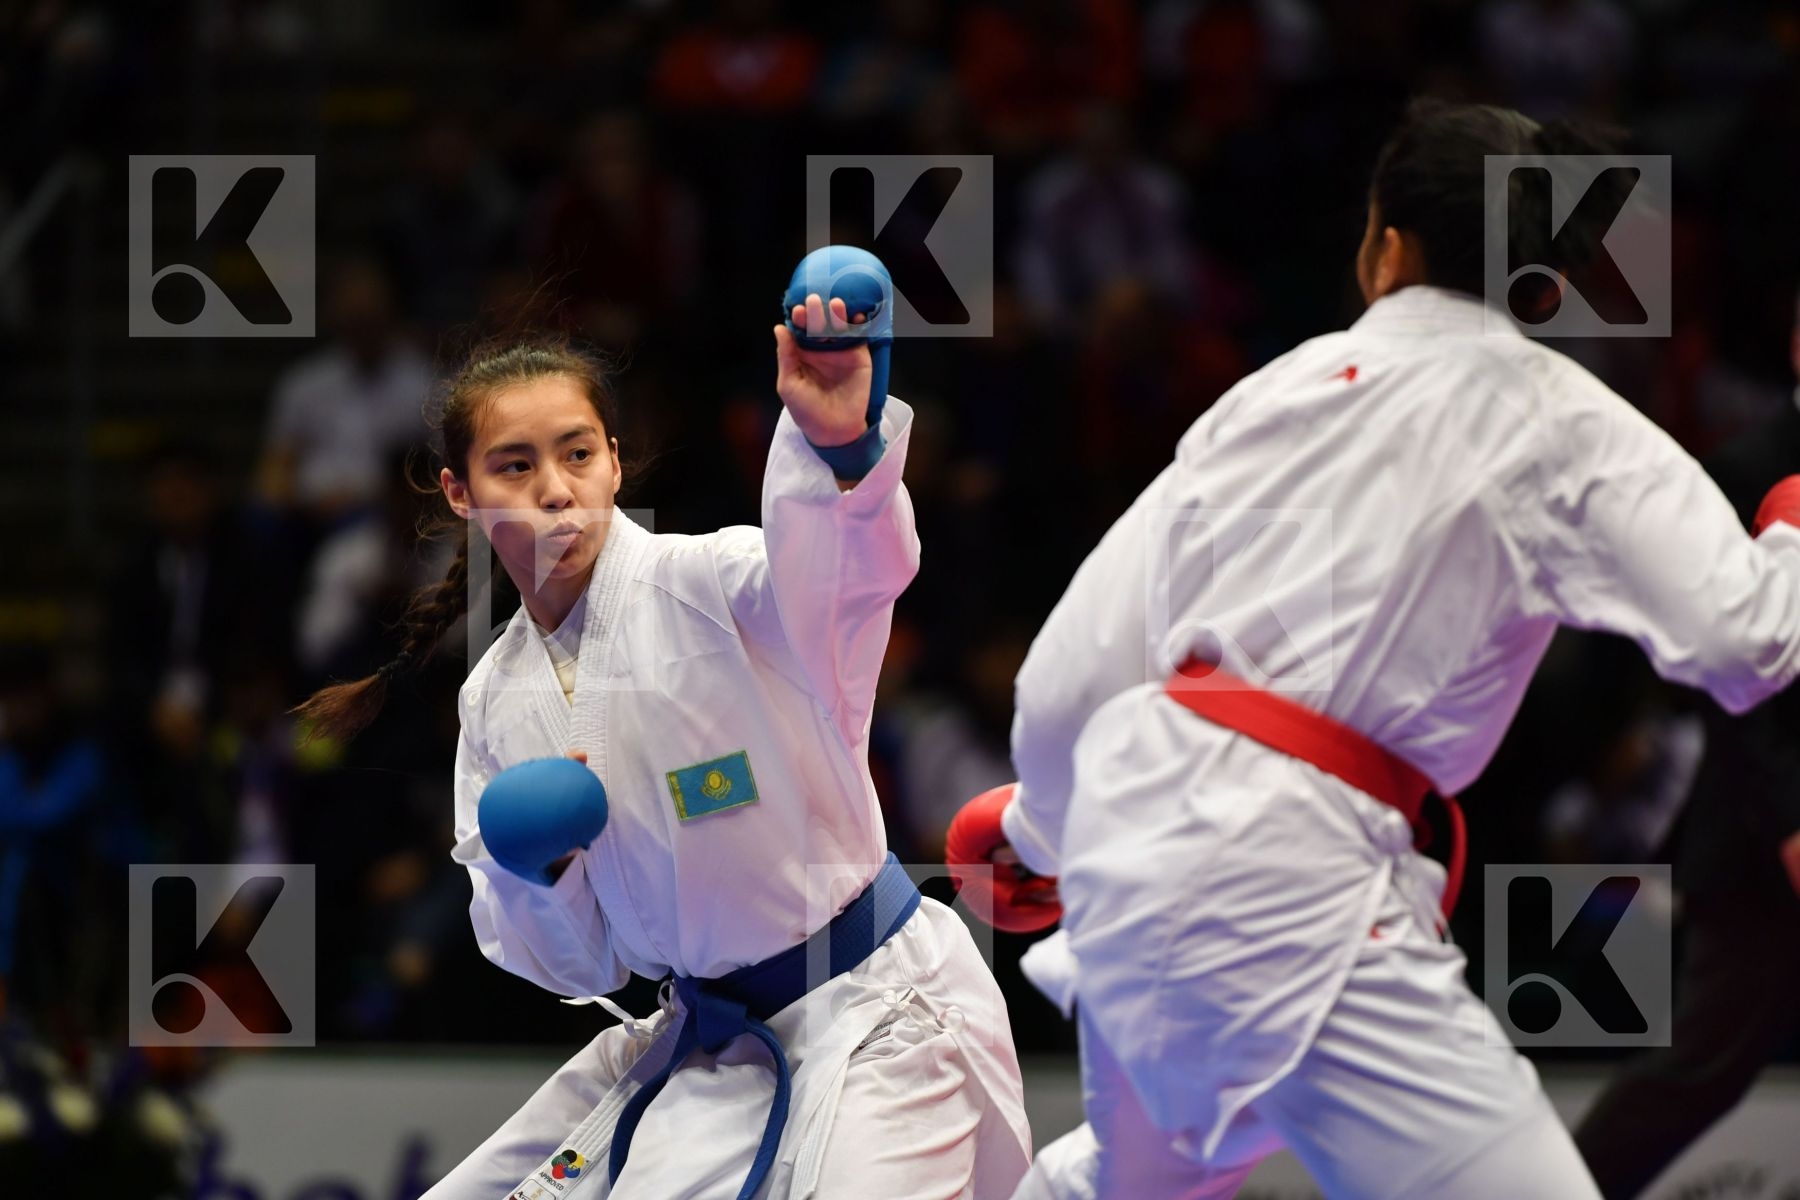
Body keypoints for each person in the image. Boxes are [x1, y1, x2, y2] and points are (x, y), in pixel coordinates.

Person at [949, 99, 1800, 1199]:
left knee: (1133, 1177)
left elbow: (1076, 670)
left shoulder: (1272, 392)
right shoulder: (1563, 418)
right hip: (1285, 863)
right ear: (1539, 283)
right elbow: (1751, 641)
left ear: (1385, 245)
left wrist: (1036, 832)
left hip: (1135, 843)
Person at [295, 255, 1030, 1197]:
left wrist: (841, 453)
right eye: (514, 466)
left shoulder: (717, 585)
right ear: (459, 493)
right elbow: (573, 965)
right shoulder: (493, 701)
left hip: (878, 1015)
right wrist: (546, 874)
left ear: (613, 458)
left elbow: (844, 587)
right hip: (709, 1047)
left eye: (577, 453)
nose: (555, 488)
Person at [1572, 294, 1800, 1199]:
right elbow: (1734, 682)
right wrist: (1792, 826)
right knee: (1702, 1066)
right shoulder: (1745, 470)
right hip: (1757, 834)